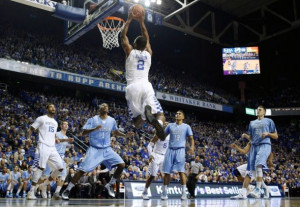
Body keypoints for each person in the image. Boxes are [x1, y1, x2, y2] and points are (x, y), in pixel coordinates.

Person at [62, 103, 131, 200]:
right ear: (99, 109)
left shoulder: (112, 120)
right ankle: (68, 189)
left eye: (106, 106)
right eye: (102, 106)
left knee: (122, 165)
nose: (104, 107)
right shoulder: (93, 119)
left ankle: (110, 185)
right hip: (94, 149)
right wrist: (94, 128)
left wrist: (125, 135)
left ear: (108, 109)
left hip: (107, 149)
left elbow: (115, 131)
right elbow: (83, 132)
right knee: (82, 170)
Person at [121, 9, 166, 141]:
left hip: (132, 87)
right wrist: (142, 22)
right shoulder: (149, 53)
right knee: (160, 114)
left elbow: (123, 36)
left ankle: (143, 117)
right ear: (146, 45)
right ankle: (158, 124)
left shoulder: (130, 51)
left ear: (134, 44)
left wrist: (129, 19)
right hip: (146, 86)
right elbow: (146, 37)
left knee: (136, 121)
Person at [26, 104, 64, 199]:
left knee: (60, 168)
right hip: (43, 145)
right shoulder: (41, 118)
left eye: (54, 107)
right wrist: (28, 138)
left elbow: (53, 135)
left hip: (52, 147)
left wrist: (57, 139)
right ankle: (31, 192)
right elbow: (31, 128)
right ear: (47, 109)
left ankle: (44, 184)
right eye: (51, 107)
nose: (53, 108)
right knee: (41, 168)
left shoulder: (55, 123)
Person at [160, 110, 194, 200]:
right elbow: (163, 136)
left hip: (180, 150)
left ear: (183, 117)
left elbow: (191, 138)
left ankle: (183, 193)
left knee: (181, 172)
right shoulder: (170, 125)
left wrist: (192, 148)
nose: (177, 114)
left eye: (180, 114)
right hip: (170, 149)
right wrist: (160, 128)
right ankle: (164, 192)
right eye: (176, 113)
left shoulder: (187, 126)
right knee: (166, 172)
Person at [245, 105, 278, 199]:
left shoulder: (269, 121)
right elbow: (251, 138)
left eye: (260, 110)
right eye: (257, 110)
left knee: (258, 164)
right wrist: (246, 136)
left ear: (264, 112)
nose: (258, 111)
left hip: (265, 144)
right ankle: (265, 188)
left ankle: (258, 189)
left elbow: (276, 136)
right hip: (254, 146)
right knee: (253, 170)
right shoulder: (251, 123)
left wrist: (268, 133)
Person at [37, 121, 73, 199]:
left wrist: (70, 146)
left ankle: (56, 193)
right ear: (61, 126)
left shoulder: (67, 137)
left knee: (63, 177)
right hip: (52, 157)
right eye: (64, 124)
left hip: (61, 158)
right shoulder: (56, 133)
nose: (66, 125)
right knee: (45, 175)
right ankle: (35, 189)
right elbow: (57, 141)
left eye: (67, 124)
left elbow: (64, 148)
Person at [142, 134, 170, 200]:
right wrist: (151, 154)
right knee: (153, 176)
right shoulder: (157, 135)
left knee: (166, 175)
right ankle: (145, 192)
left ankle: (164, 192)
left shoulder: (170, 136)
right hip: (156, 155)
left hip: (164, 156)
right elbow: (149, 145)